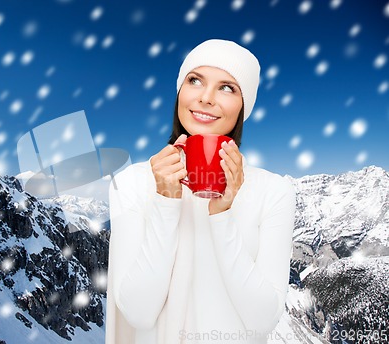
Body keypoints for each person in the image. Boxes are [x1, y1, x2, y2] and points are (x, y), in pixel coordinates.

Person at [105, 39, 296, 343]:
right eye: (195, 81)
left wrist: (222, 215)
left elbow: (263, 320)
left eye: (227, 87)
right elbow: (138, 313)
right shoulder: (133, 182)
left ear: (243, 106)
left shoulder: (273, 191)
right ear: (180, 91)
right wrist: (165, 202)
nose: (206, 98)